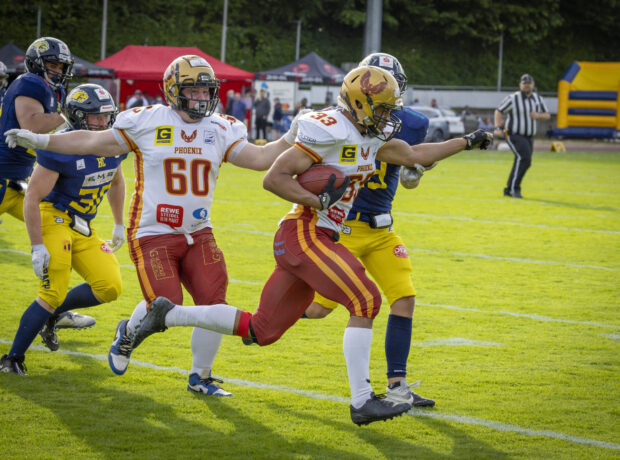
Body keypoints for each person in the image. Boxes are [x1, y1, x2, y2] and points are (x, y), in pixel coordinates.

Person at [110, 66, 492, 425]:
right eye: (382, 109)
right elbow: (273, 178)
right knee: (366, 300)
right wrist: (317, 200)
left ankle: (168, 315)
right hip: (304, 231)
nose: (388, 117)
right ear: (360, 103)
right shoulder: (330, 128)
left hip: (318, 235)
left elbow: (414, 154)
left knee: (261, 330)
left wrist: (467, 142)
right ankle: (362, 400)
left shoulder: (371, 136)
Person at [4, 55, 303, 393]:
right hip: (153, 232)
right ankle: (128, 333)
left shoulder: (220, 127)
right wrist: (42, 141)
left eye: (206, 90)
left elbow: (261, 158)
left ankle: (201, 377)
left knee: (214, 301)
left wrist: (290, 136)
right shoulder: (147, 121)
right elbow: (89, 141)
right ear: (174, 91)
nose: (202, 98)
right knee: (165, 304)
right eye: (194, 90)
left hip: (198, 232)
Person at [303, 52, 435, 409]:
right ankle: (261, 325)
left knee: (404, 297)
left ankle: (397, 386)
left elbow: (408, 174)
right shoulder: (338, 119)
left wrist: (415, 170)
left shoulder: (411, 123)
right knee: (317, 309)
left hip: (382, 228)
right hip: (344, 226)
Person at [0, 84, 126, 375]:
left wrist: (119, 222)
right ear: (78, 117)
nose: (103, 122)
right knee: (52, 292)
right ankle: (12, 359)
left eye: (106, 115)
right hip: (53, 217)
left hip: (82, 225)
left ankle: (52, 316)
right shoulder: (61, 147)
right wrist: (37, 245)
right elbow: (32, 197)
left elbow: (117, 181)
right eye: (95, 117)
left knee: (110, 286)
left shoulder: (114, 142)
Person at [0, 36, 94, 331]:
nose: (58, 70)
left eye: (61, 65)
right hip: (3, 178)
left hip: (19, 183)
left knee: (58, 235)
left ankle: (53, 308)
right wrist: (67, 115)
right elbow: (32, 125)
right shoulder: (30, 83)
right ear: (37, 64)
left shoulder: (54, 89)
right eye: (52, 64)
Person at [494, 73, 550, 198]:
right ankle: (514, 189)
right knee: (525, 158)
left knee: (523, 161)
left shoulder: (538, 99)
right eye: (524, 83)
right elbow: (498, 110)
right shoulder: (513, 98)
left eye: (528, 83)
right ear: (520, 85)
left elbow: (547, 115)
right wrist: (497, 128)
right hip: (514, 134)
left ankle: (508, 189)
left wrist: (538, 115)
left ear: (533, 85)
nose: (526, 86)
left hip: (529, 136)